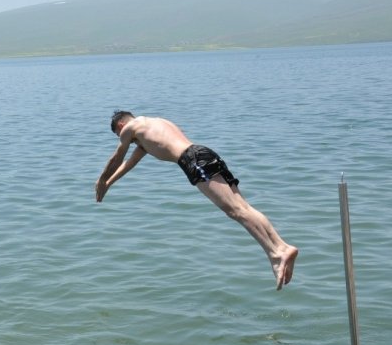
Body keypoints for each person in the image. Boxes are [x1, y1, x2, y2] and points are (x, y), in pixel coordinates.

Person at [95, 111, 298, 290]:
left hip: (192, 160)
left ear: (120, 126)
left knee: (236, 211)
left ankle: (276, 252)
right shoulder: (154, 124)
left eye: (122, 137)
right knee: (243, 207)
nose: (128, 142)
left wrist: (100, 180)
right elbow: (130, 163)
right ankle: (280, 248)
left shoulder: (129, 128)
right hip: (204, 153)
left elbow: (117, 158)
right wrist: (109, 184)